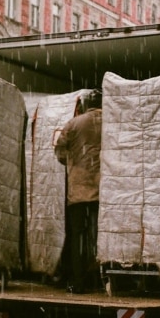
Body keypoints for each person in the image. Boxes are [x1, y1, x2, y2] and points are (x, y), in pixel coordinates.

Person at [54, 90, 102, 294]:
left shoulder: (74, 124)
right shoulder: (112, 122)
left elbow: (59, 151)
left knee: (77, 237)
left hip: (79, 189)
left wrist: (72, 162)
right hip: (104, 190)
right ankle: (101, 278)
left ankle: (78, 281)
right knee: (100, 237)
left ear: (84, 105)